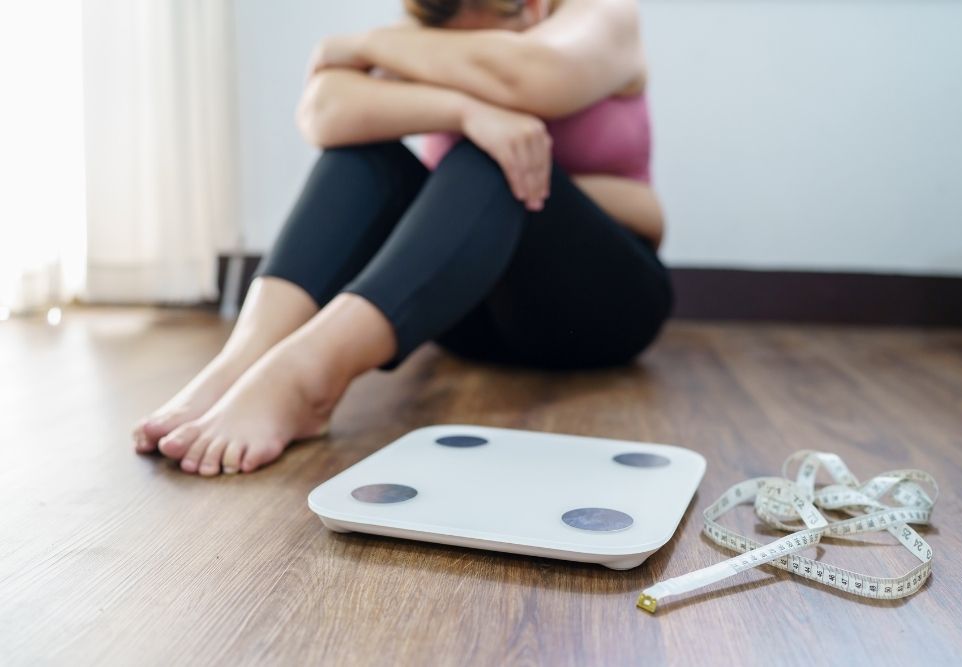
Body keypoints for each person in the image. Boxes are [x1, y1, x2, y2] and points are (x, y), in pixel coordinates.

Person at [132, 0, 673, 476]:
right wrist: (466, 108)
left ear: (531, 9)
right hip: (460, 312)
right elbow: (323, 110)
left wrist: (371, 48)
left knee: (493, 157)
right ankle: (243, 361)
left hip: (600, 312)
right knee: (363, 154)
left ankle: (307, 377)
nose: (463, 62)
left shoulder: (603, 14)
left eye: (478, 51)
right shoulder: (428, 42)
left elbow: (530, 77)